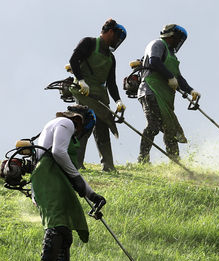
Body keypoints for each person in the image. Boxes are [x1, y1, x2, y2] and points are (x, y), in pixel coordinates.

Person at [30, 104, 106, 261]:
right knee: (57, 225)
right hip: (48, 176)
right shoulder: (66, 123)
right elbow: (58, 152)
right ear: (82, 121)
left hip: (58, 178)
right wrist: (77, 180)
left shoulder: (64, 129)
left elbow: (70, 169)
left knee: (65, 231)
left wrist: (92, 195)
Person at [68, 18, 127, 172]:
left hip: (100, 95)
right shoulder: (89, 43)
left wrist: (118, 100)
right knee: (85, 124)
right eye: (117, 37)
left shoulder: (110, 58)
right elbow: (73, 60)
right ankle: (76, 164)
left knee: (103, 128)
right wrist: (81, 80)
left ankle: (108, 166)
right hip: (84, 92)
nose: (117, 41)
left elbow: (111, 83)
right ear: (110, 32)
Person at [136, 24, 200, 163]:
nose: (179, 43)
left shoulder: (172, 56)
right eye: (179, 39)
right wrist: (170, 77)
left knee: (170, 128)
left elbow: (179, 78)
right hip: (150, 90)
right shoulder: (158, 44)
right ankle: (143, 159)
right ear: (172, 36)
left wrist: (190, 90)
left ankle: (175, 161)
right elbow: (154, 61)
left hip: (164, 96)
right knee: (153, 125)